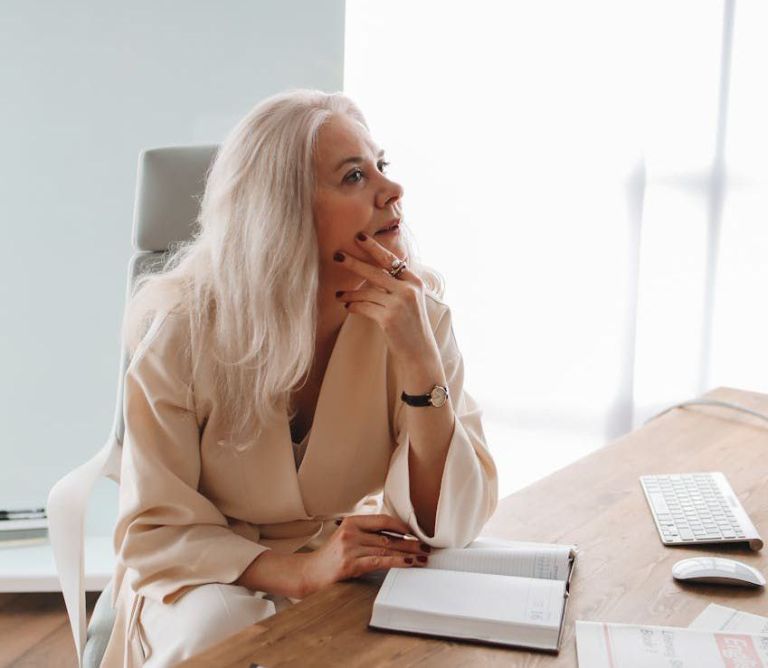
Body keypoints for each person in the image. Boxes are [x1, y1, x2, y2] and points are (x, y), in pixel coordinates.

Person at [100, 89, 498, 667]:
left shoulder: (416, 316)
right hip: (198, 571)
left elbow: (448, 523)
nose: (392, 190)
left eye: (381, 166)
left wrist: (419, 362)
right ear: (283, 210)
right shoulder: (184, 329)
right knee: (220, 631)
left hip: (334, 558)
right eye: (355, 175)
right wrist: (299, 573)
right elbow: (157, 526)